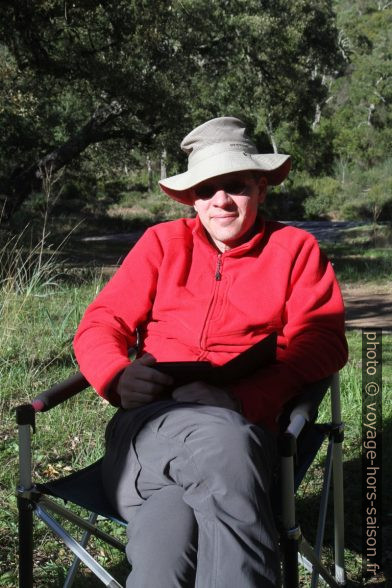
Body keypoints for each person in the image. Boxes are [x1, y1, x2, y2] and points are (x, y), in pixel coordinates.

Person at [74, 116, 348, 587]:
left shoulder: (295, 250)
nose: (220, 201)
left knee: (166, 544)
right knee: (224, 443)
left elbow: (322, 341)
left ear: (261, 189)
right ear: (191, 199)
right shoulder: (162, 244)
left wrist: (243, 400)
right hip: (149, 430)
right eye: (206, 189)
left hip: (245, 432)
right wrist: (117, 376)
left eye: (235, 186)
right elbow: (102, 322)